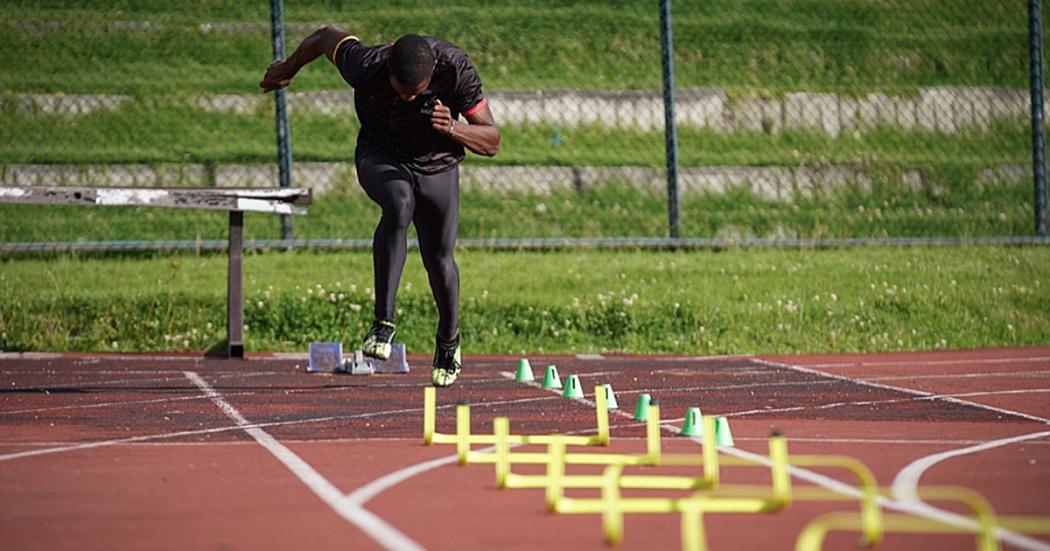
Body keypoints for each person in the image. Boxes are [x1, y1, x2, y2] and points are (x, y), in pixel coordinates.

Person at [260, 27, 500, 387]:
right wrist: (290, 67)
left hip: (436, 162)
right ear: (388, 71)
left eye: (413, 93)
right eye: (398, 90)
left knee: (439, 258)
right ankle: (383, 322)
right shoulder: (366, 63)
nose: (405, 99)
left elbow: (492, 140)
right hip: (381, 154)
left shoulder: (455, 69)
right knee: (399, 203)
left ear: (432, 75)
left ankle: (449, 340)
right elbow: (325, 37)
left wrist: (452, 127)